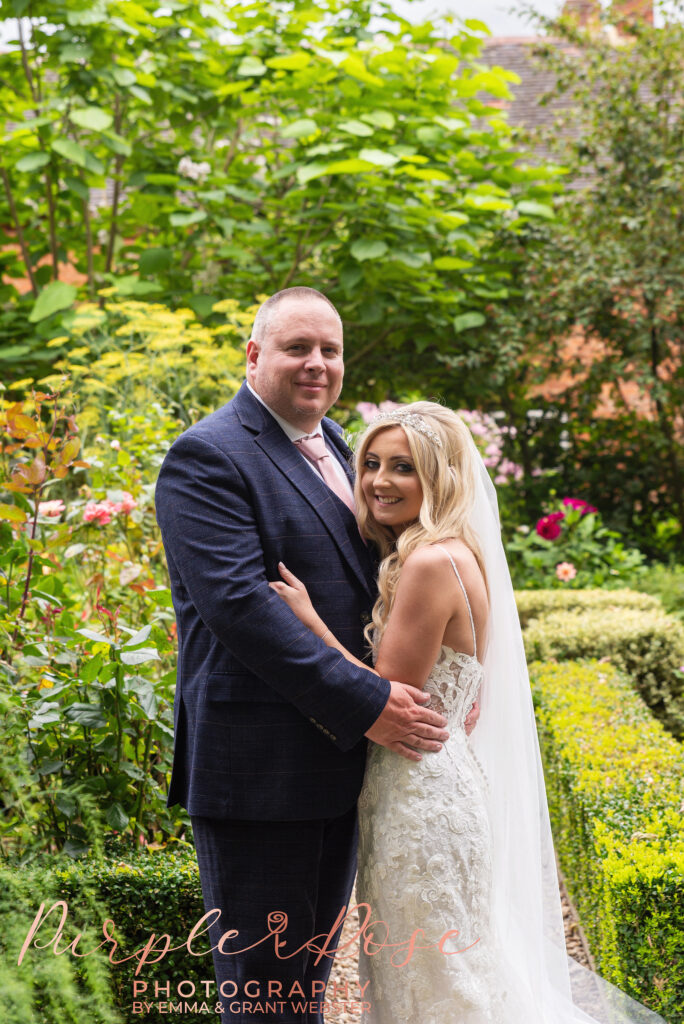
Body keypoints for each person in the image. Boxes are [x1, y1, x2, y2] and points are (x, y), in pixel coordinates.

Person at [270, 401, 669, 1024]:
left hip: (419, 798)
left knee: (438, 979)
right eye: (371, 463)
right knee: (441, 970)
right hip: (430, 779)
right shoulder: (453, 552)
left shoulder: (430, 563)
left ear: (440, 477)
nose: (378, 480)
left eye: (403, 467)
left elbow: (386, 693)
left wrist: (309, 623)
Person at [154, 288, 467, 1024]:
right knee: (266, 998)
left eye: (330, 350)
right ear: (254, 355)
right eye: (298, 348)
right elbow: (243, 610)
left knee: (309, 986)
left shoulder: (341, 447)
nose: (317, 365)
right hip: (259, 772)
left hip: (341, 769)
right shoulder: (209, 455)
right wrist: (373, 705)